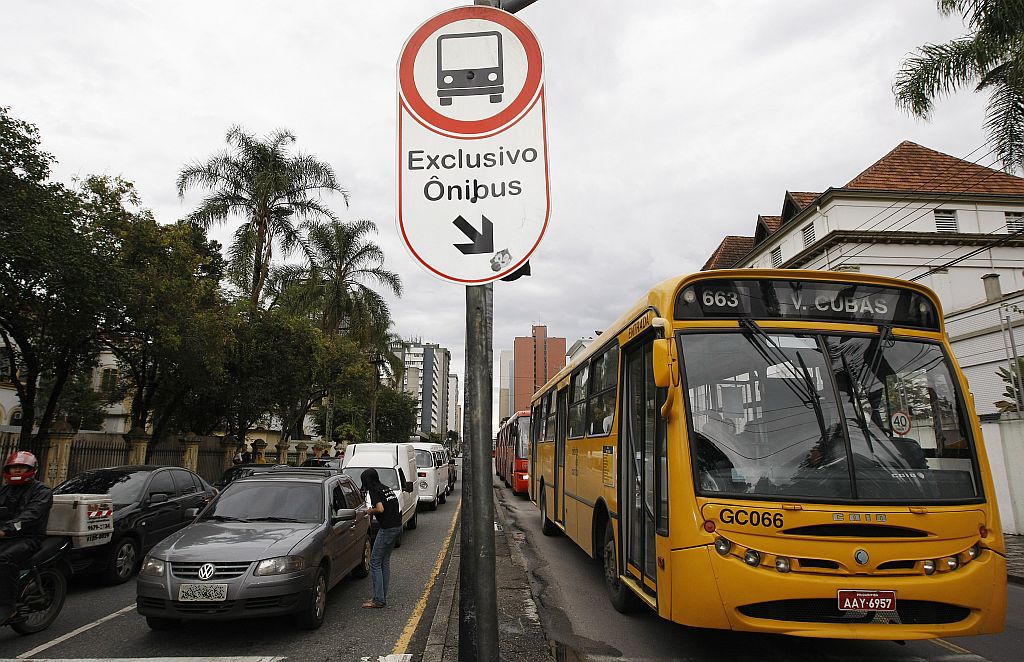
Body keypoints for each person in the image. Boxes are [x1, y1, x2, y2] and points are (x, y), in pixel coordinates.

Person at [0, 451, 53, 623]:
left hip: (28, 538)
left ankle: (8, 607)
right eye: (14, 467)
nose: (17, 471)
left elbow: (32, 515)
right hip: (5, 536)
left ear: (31, 470)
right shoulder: (4, 490)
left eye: (22, 468)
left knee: (3, 559)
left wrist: (7, 529)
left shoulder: (42, 491)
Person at [360, 467, 401, 609]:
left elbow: (380, 509)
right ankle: (381, 596)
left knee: (375, 562)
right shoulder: (386, 488)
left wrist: (368, 511)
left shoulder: (374, 490)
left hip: (387, 529)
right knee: (384, 561)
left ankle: (378, 600)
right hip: (397, 527)